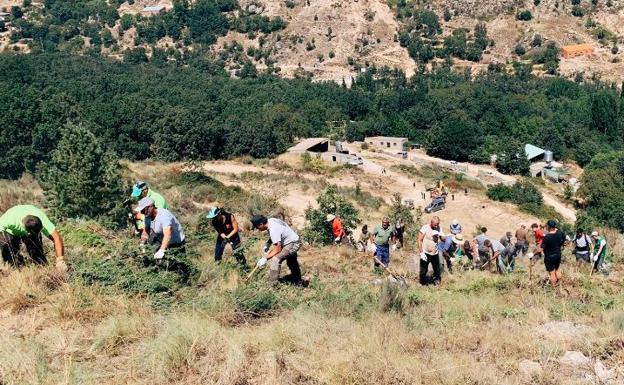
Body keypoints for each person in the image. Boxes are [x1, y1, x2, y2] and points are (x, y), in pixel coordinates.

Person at [0, 205, 67, 272]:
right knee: (9, 256)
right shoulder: (9, 220)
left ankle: (42, 272)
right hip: (10, 232)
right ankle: (18, 269)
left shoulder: (42, 219)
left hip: (31, 229)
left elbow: (57, 238)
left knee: (38, 258)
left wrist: (60, 260)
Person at [251, 215, 303, 285]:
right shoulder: (271, 220)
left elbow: (277, 249)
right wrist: (268, 243)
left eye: (257, 227)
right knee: (291, 260)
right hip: (291, 239)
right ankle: (297, 279)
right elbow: (278, 233)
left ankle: (273, 284)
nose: (257, 229)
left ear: (261, 224)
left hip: (293, 243)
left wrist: (265, 258)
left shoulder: (273, 229)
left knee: (276, 259)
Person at [535, 220, 566, 287]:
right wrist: (562, 244)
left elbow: (540, 249)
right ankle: (560, 285)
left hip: (549, 257)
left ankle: (553, 288)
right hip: (558, 255)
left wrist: (533, 253)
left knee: (552, 273)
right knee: (557, 270)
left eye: (546, 225)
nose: (546, 227)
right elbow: (564, 238)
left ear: (549, 226)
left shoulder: (547, 237)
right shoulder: (559, 233)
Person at [418, 216, 442, 285]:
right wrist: (421, 252)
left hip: (435, 253)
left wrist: (442, 236)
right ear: (431, 222)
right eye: (435, 224)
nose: (436, 226)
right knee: (423, 269)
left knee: (437, 269)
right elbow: (419, 240)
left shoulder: (439, 228)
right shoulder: (425, 228)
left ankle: (437, 281)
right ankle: (422, 283)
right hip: (425, 253)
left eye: (438, 224)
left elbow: (442, 238)